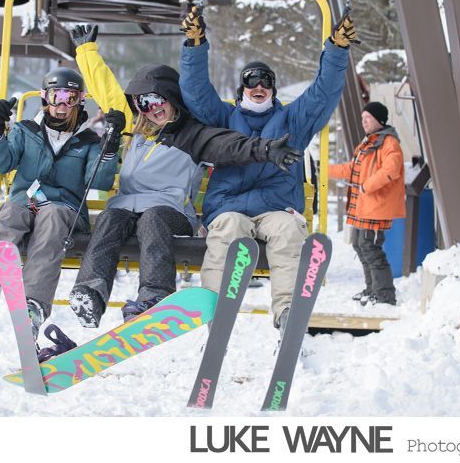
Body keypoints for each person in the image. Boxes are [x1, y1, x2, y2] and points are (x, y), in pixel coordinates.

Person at [63, 24, 303, 327]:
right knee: (110, 218)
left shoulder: (191, 133)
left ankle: (155, 294)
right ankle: (90, 292)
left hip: (170, 210)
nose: (150, 110)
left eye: (155, 101)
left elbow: (226, 144)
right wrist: (86, 53)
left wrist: (266, 150)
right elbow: (108, 92)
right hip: (127, 206)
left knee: (153, 219)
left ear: (170, 97)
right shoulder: (136, 129)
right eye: (141, 104)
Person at [178, 6, 355, 333]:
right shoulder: (223, 118)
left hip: (276, 206)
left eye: (265, 82)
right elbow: (196, 92)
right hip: (229, 205)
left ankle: (288, 312)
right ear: (241, 88)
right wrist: (194, 46)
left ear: (272, 89)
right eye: (251, 81)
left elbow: (322, 94)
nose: (258, 87)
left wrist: (336, 51)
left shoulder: (293, 121)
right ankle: (215, 308)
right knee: (228, 230)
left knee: (288, 231)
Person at [0, 67, 120, 354]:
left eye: (70, 97)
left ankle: (31, 308)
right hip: (25, 202)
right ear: (45, 97)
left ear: (80, 100)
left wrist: (110, 146)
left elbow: (101, 180)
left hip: (64, 208)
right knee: (9, 216)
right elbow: (1, 164)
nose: (62, 104)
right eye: (57, 95)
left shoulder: (89, 140)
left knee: (52, 219)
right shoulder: (26, 131)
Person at [329, 102, 405, 306]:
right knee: (360, 245)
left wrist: (366, 186)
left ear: (380, 120)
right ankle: (372, 289)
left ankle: (384, 295)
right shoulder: (367, 143)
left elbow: (391, 170)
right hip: (362, 206)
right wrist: (326, 170)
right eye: (362, 118)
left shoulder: (389, 143)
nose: (364, 122)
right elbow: (350, 170)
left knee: (371, 248)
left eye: (368, 118)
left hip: (376, 206)